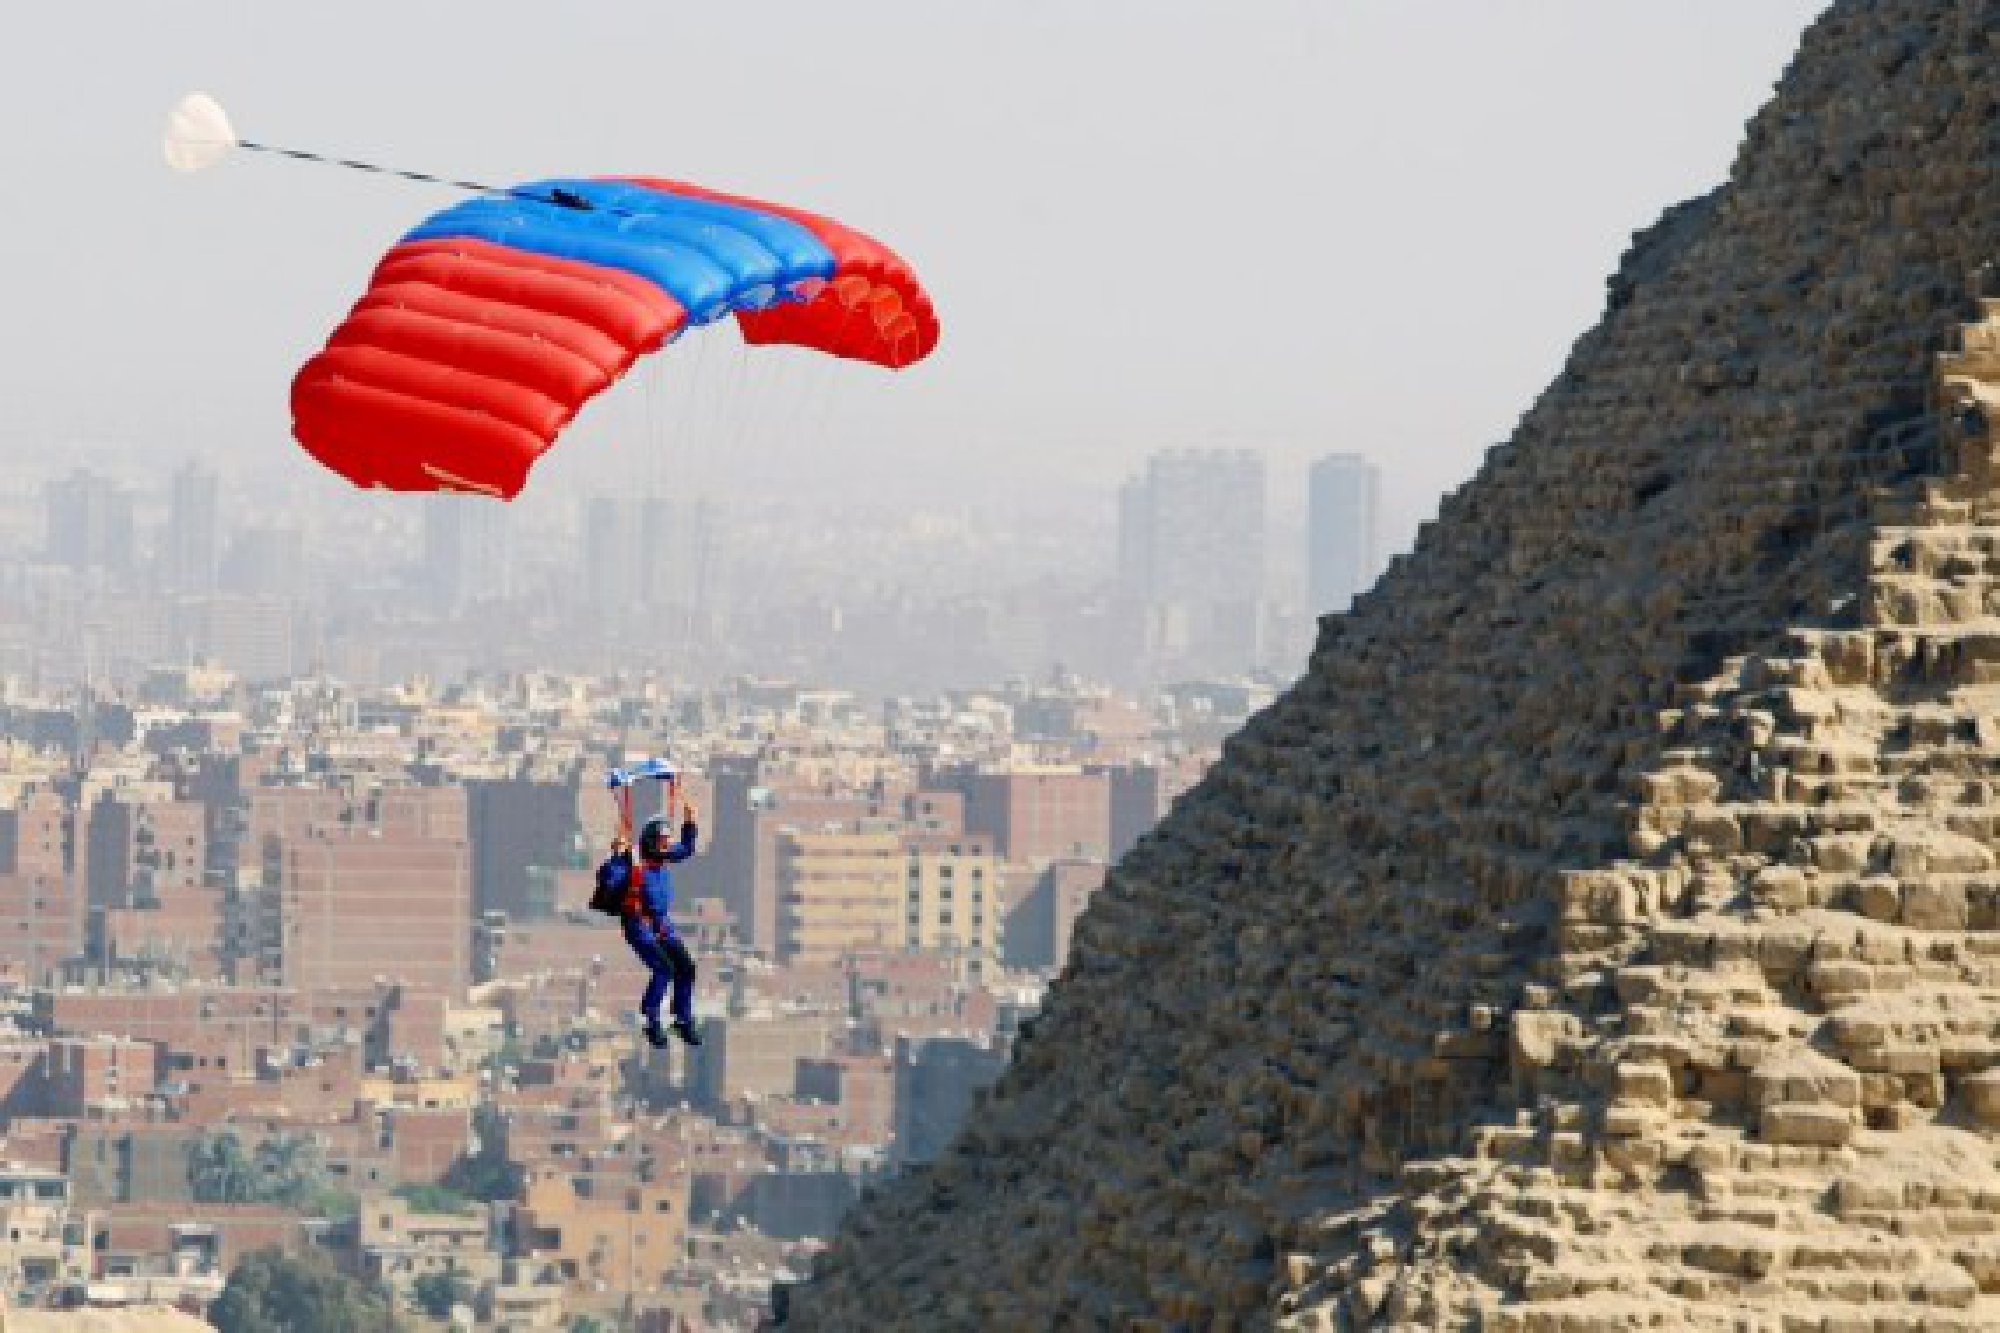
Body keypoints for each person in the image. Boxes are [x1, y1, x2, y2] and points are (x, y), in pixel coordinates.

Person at [597, 805, 702, 1048]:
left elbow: (686, 849)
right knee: (664, 968)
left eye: (667, 842)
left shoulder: (661, 857)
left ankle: (682, 1019)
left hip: (661, 925)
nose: (666, 847)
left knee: (685, 967)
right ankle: (652, 1019)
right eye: (662, 842)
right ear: (651, 842)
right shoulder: (633, 862)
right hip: (639, 925)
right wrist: (617, 854)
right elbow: (609, 880)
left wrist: (689, 823)